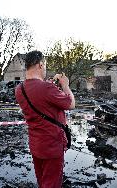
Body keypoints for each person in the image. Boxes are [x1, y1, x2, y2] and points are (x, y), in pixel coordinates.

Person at [15, 50, 75, 188]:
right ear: (41, 65)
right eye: (45, 66)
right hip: (52, 145)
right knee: (52, 183)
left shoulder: (19, 88)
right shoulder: (46, 88)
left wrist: (49, 85)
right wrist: (65, 85)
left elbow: (39, 96)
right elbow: (71, 104)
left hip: (36, 144)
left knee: (42, 180)